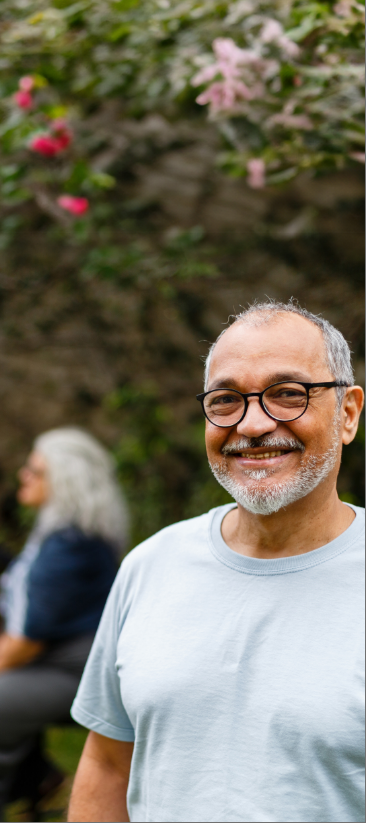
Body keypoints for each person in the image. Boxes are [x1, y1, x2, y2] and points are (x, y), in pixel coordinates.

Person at [68, 301, 365, 823]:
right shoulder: (151, 565)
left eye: (287, 394)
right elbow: (110, 764)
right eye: (226, 400)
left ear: (347, 413)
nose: (251, 424)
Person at [0, 427, 129, 823]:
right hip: (49, 662)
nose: (22, 476)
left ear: (62, 480)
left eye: (33, 470)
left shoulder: (73, 544)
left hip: (77, 670)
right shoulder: (55, 533)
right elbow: (19, 614)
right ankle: (37, 780)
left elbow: (28, 637)